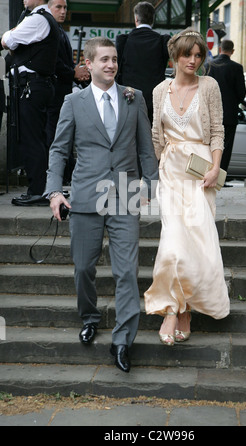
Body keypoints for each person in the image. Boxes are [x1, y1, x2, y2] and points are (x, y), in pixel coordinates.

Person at [45, 37, 158, 372]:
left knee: (127, 271)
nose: (111, 65)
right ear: (89, 63)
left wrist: (150, 184)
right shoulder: (73, 102)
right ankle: (90, 316)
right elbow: (59, 150)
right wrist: (54, 192)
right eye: (104, 59)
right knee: (83, 268)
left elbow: (145, 148)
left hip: (126, 193)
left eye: (114, 59)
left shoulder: (133, 97)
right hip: (85, 194)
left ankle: (123, 341)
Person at [144, 28, 230, 346]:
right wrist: (161, 165)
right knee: (174, 240)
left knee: (198, 242)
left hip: (201, 170)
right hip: (171, 171)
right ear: (174, 56)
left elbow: (218, 129)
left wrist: (215, 166)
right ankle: (172, 310)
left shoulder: (209, 86)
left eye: (198, 55)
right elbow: (156, 135)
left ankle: (186, 309)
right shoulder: (158, 91)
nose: (193, 60)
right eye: (187, 54)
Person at [1, 0, 60, 206]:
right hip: (31, 86)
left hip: (32, 87)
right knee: (31, 138)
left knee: (31, 139)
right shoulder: (36, 18)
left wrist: (10, 33)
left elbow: (9, 40)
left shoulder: (37, 19)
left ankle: (38, 190)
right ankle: (38, 188)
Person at [47, 0, 90, 183]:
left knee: (63, 135)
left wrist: (76, 70)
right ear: (49, 7)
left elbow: (63, 62)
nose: (63, 11)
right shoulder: (50, 31)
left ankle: (65, 175)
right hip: (54, 94)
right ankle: (60, 176)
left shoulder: (60, 31)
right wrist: (73, 72)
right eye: (58, 7)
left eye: (65, 8)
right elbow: (53, 63)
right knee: (56, 137)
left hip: (62, 93)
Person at [116, 1, 170, 124]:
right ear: (153, 20)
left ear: (136, 19)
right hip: (154, 102)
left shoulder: (124, 41)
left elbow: (117, 71)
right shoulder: (162, 41)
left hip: (129, 99)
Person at [205, 39, 246, 173]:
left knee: (209, 144)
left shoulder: (209, 65)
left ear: (220, 49)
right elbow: (241, 93)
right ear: (232, 51)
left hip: (210, 113)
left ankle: (207, 172)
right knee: (226, 147)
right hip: (229, 114)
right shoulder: (236, 67)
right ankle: (221, 176)